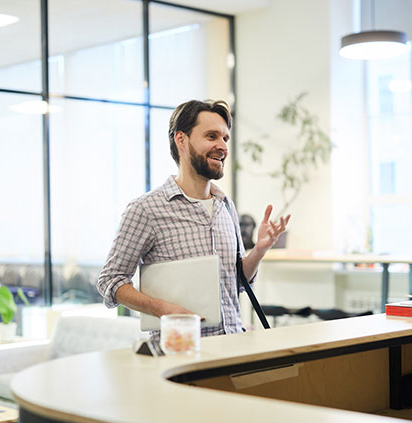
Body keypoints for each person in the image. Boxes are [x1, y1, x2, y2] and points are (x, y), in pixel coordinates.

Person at [97, 99, 290, 336]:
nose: (222, 146)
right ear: (181, 140)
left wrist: (260, 250)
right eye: (211, 137)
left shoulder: (226, 206)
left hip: (233, 349)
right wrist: (161, 309)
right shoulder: (146, 210)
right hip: (181, 354)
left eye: (225, 139)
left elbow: (237, 283)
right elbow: (110, 280)